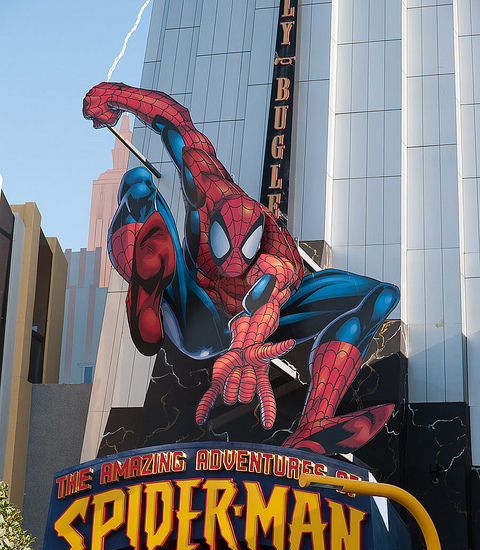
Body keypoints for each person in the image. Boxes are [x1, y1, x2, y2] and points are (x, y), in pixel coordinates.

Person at [83, 82, 399, 454]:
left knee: (379, 296)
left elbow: (267, 297)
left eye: (242, 257)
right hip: (199, 308)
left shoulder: (276, 254)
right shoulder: (206, 182)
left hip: (247, 322)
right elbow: (173, 119)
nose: (233, 265)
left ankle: (313, 422)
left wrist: (248, 343)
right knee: (137, 184)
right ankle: (151, 280)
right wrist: (115, 95)